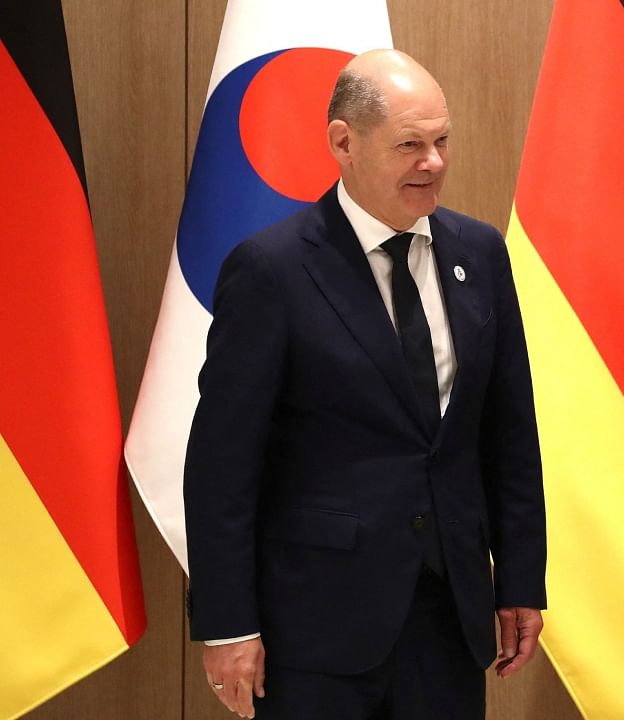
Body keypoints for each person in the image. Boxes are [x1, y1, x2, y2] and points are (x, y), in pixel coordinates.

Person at [184, 49, 546, 720]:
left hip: (449, 617)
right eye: (411, 144)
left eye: (442, 141)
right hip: (317, 628)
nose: (434, 162)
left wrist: (520, 579)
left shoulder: (479, 253)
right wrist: (229, 623)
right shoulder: (272, 271)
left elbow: (508, 433)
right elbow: (221, 466)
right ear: (343, 143)